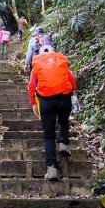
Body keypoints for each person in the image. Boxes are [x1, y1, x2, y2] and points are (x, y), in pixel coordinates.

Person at [28, 45, 77, 180]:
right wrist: (74, 93)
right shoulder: (59, 60)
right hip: (64, 99)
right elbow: (71, 78)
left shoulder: (37, 61)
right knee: (63, 121)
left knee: (49, 136)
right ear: (52, 51)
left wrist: (33, 102)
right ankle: (63, 143)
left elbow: (32, 84)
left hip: (46, 101)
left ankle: (52, 168)